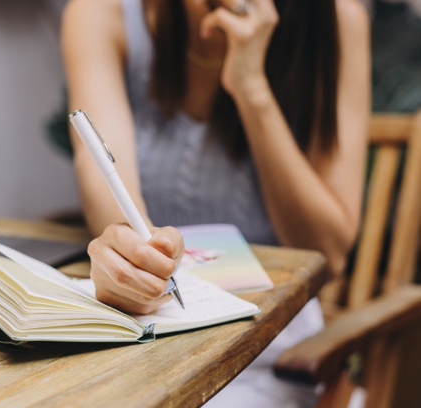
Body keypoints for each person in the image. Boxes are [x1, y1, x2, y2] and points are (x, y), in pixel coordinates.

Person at [61, 0, 369, 405]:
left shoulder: (336, 19)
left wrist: (251, 88)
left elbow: (329, 252)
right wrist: (131, 253)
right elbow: (99, 164)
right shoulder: (102, 13)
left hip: (267, 350)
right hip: (142, 339)